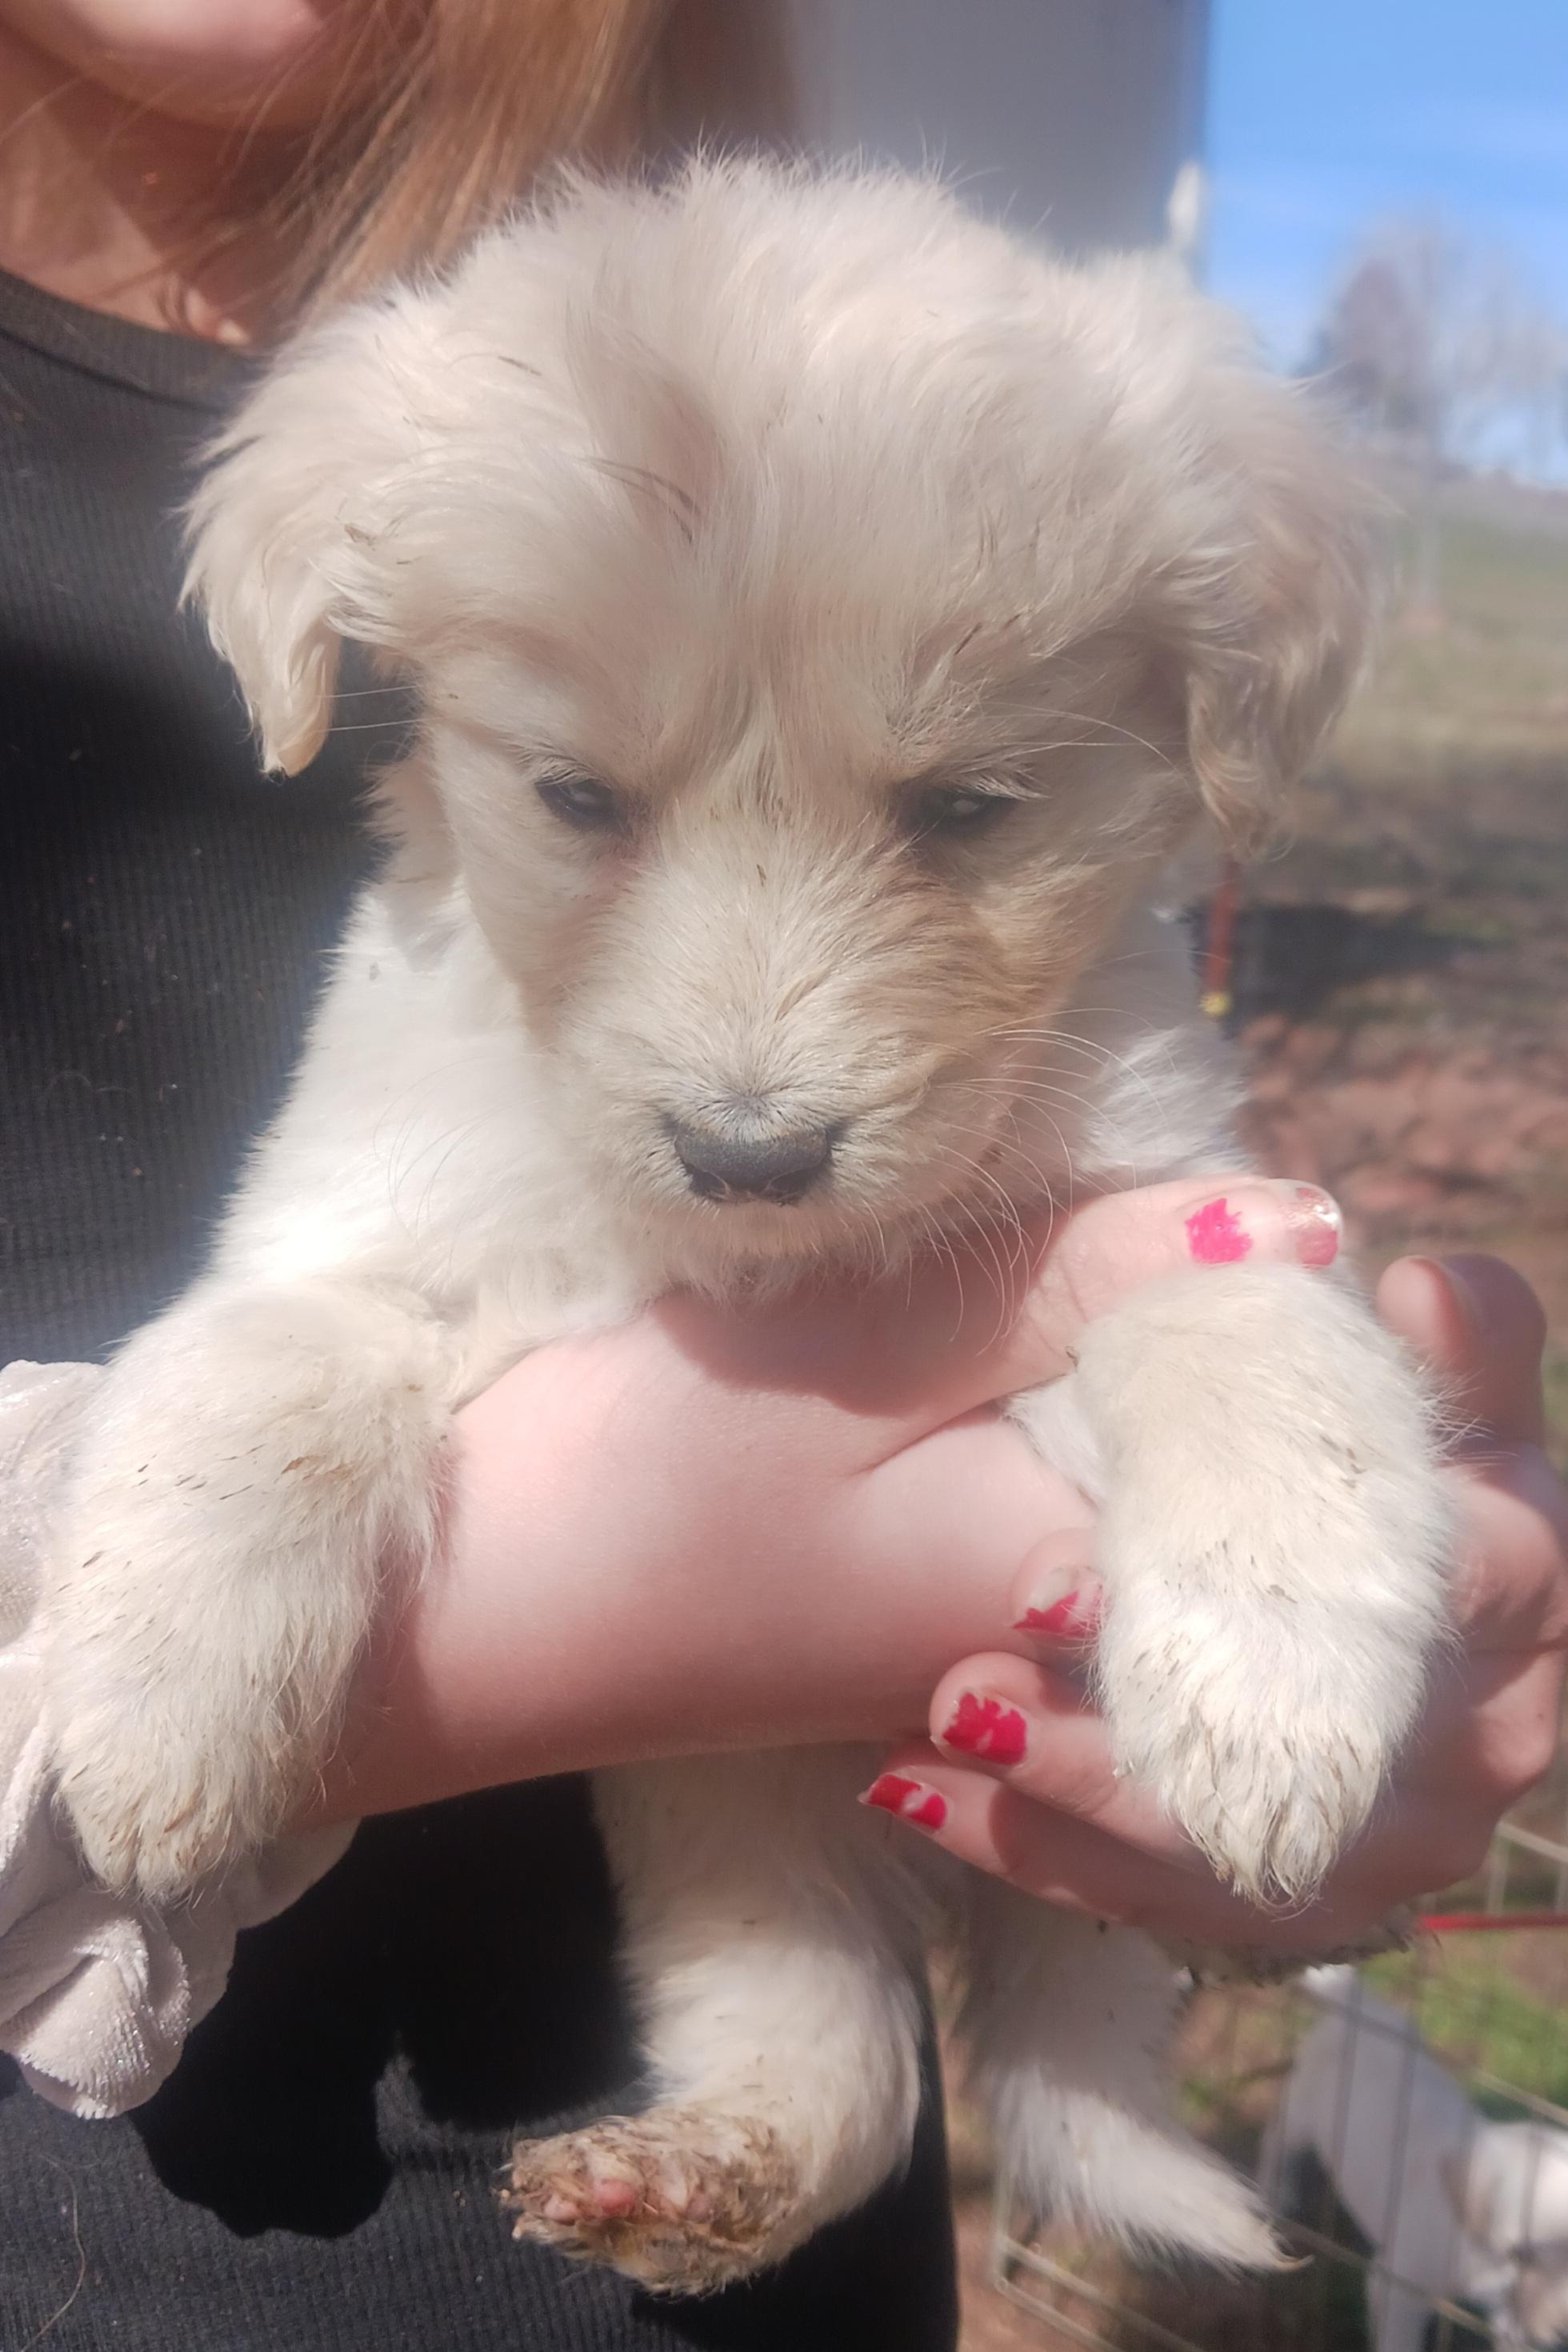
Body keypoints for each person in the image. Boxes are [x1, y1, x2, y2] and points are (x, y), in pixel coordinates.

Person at [0, 5, 1563, 2346]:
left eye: (957, 811)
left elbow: (1175, 1281)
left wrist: (1281, 1567)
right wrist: (413, 1552)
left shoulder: (1115, 465)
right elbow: (324, 1306)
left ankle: (837, 2088)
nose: (759, 1069)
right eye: (583, 799)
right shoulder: (434, 532)